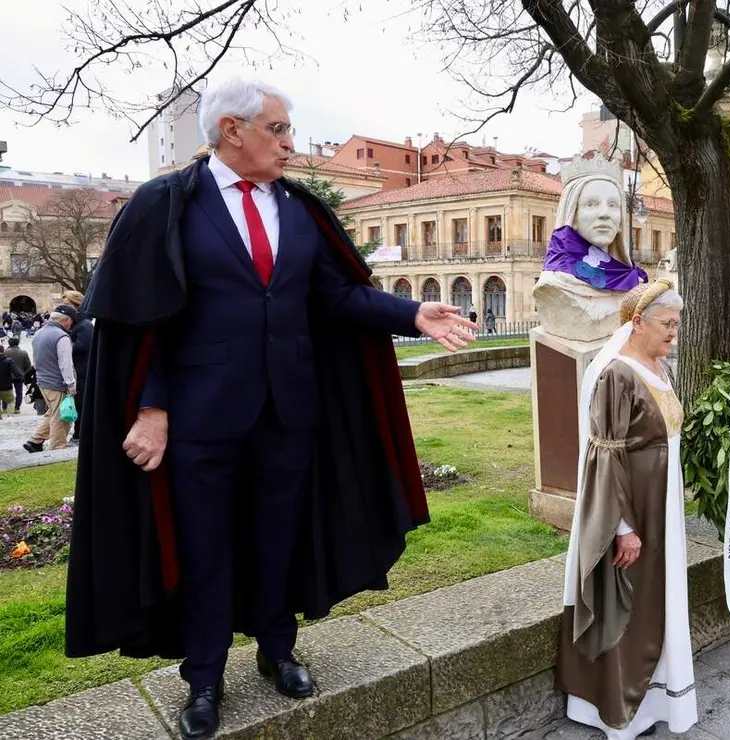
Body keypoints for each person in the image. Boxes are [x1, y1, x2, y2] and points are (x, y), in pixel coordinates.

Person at [64, 77, 478, 740]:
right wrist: (151, 406)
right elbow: (141, 322)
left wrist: (411, 313)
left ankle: (277, 651)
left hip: (290, 413)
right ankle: (204, 679)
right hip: (200, 420)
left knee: (279, 538)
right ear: (233, 129)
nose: (290, 144)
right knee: (204, 548)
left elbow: (334, 299)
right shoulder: (166, 205)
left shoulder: (300, 210)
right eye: (278, 130)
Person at [557, 279, 696, 739]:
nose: (674, 333)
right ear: (637, 323)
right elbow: (605, 455)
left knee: (658, 595)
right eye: (667, 325)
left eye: (677, 324)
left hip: (662, 503)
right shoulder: (617, 374)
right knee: (629, 600)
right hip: (632, 506)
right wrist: (622, 527)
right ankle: (617, 711)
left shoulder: (659, 366)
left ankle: (656, 697)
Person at [23, 306, 78, 452]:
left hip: (43, 382)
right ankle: (58, 446)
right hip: (57, 383)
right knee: (61, 416)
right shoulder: (62, 337)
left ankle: (35, 441)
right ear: (65, 320)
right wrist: (71, 385)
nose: (71, 324)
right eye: (71, 321)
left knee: (52, 413)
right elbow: (65, 364)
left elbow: (36, 361)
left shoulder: (38, 334)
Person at [61, 290, 93, 443]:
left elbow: (85, 345)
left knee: (81, 402)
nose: (64, 307)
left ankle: (80, 433)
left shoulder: (84, 325)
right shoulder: (75, 324)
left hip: (83, 370)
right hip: (77, 370)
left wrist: (66, 346)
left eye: (67, 304)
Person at [4, 336, 32, 414]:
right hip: (19, 375)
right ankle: (17, 408)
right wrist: (25, 374)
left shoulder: (5, 352)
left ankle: (5, 407)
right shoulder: (23, 352)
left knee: (5, 391)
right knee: (19, 392)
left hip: (7, 375)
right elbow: (28, 365)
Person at [0, 348, 21, 418]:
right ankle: (10, 417)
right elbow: (16, 372)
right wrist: (23, 379)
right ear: (4, 351)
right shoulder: (9, 361)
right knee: (10, 401)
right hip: (7, 387)